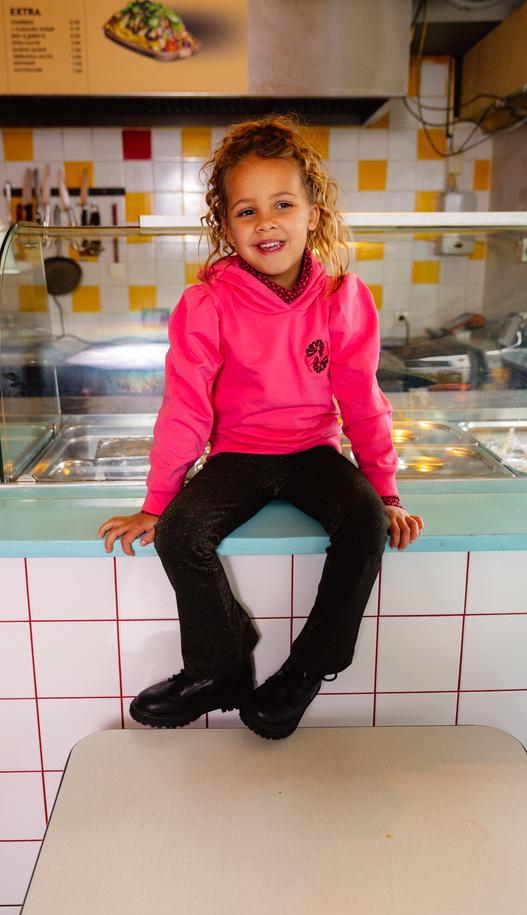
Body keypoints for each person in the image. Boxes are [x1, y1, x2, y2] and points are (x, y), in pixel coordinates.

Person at [99, 114, 423, 740]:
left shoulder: (341, 298)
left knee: (365, 523)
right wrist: (158, 502)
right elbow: (186, 407)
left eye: (282, 204)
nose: (266, 222)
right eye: (246, 211)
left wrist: (385, 492)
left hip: (314, 453)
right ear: (226, 227)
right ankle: (218, 667)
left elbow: (362, 400)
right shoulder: (207, 304)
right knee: (179, 533)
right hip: (238, 456)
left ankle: (306, 669)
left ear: (313, 214)